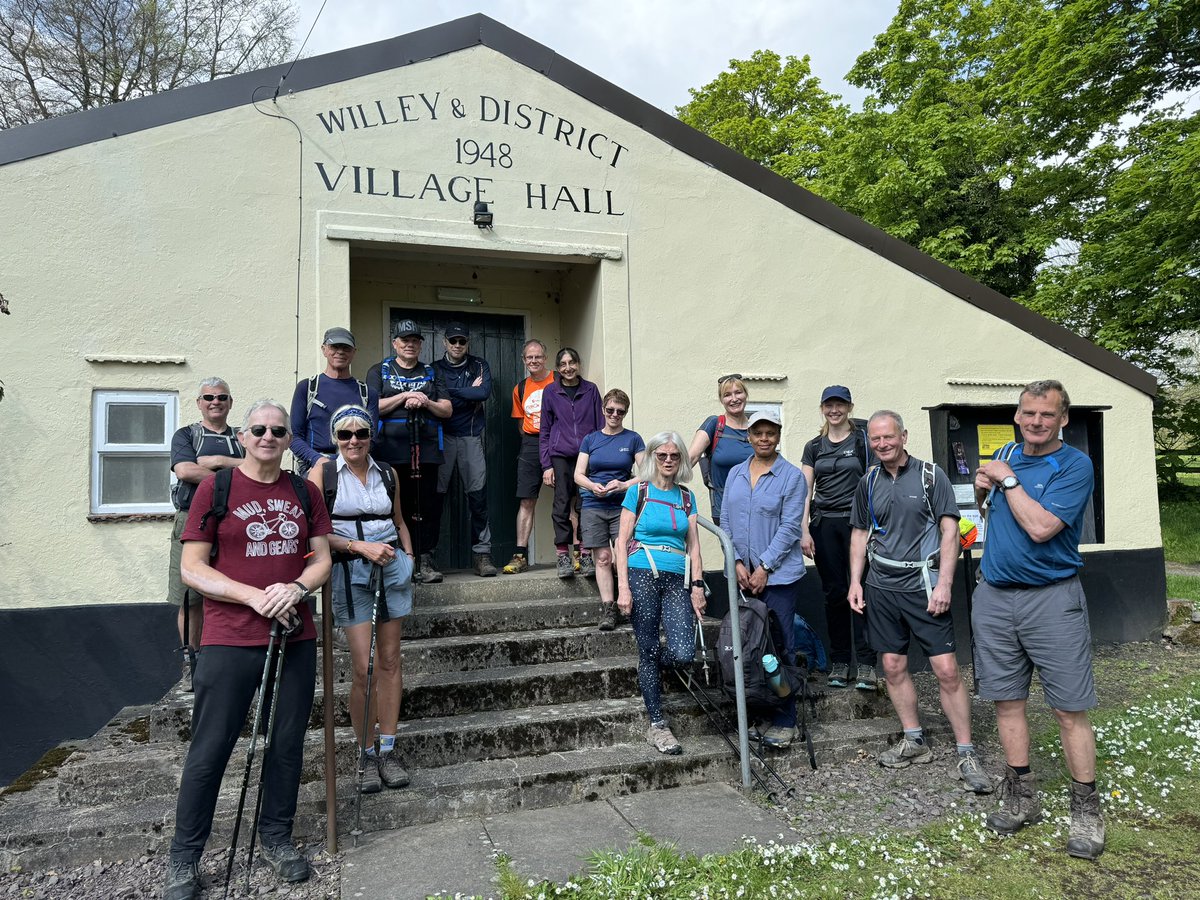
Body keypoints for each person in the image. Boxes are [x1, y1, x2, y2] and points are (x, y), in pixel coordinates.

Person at [165, 401, 332, 900]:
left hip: (294, 637)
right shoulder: (215, 489)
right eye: (258, 429)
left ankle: (276, 837)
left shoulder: (304, 490)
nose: (268, 436)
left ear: (286, 439)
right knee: (210, 748)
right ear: (242, 436)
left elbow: (321, 559)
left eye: (277, 430)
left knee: (286, 744)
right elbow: (191, 568)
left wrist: (298, 588)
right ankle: (184, 857)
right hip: (230, 637)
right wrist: (253, 596)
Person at [973, 380, 1104, 859]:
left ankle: (1086, 812)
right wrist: (983, 483)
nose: (1035, 422)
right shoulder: (1007, 450)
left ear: (1063, 419)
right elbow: (988, 506)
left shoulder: (1074, 464)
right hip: (994, 596)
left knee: (1069, 708)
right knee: (1007, 702)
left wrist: (1007, 480)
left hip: (1052, 599)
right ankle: (1021, 798)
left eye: (1047, 415)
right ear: (1017, 413)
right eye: (1028, 413)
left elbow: (1043, 527)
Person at [847, 410, 991, 794]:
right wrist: (855, 583)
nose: (882, 445)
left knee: (946, 670)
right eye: (875, 439)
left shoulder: (931, 477)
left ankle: (966, 751)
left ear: (904, 436)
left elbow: (950, 531)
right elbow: (860, 534)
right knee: (892, 666)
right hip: (881, 587)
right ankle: (914, 740)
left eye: (888, 437)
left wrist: (945, 584)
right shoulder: (868, 481)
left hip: (925, 587)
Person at [309, 406, 415, 793]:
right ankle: (365, 751)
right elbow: (314, 532)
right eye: (345, 434)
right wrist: (359, 546)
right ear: (335, 438)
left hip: (392, 567)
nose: (354, 440)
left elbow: (399, 520)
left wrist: (409, 558)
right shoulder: (321, 474)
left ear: (371, 435)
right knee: (363, 667)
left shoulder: (387, 472)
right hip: (349, 570)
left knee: (390, 660)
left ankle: (388, 748)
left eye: (361, 433)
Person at [615, 431, 707, 755]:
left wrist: (698, 586)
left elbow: (694, 547)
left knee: (683, 653)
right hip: (642, 572)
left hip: (677, 578)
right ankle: (657, 725)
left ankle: (650, 664)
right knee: (649, 646)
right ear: (652, 457)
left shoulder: (686, 497)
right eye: (662, 455)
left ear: (681, 459)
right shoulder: (638, 491)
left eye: (674, 456)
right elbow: (620, 543)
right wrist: (622, 587)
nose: (668, 461)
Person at [720, 409, 807, 748]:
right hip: (741, 576)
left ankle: (786, 718)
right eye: (758, 433)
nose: (764, 438)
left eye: (771, 433)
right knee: (750, 651)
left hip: (779, 579)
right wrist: (738, 562)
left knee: (778, 650)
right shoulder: (737, 474)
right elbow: (725, 521)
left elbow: (789, 528)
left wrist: (764, 568)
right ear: (749, 437)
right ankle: (762, 713)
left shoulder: (791, 477)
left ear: (779, 435)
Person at [168, 378, 244, 690]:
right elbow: (185, 470)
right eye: (209, 397)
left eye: (222, 397)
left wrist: (219, 462)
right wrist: (230, 477)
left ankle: (230, 657)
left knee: (234, 591)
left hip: (233, 521)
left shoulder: (242, 436)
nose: (216, 402)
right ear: (199, 402)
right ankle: (192, 663)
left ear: (230, 401)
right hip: (192, 522)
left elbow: (261, 466)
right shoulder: (186, 434)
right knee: (190, 598)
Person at [800, 385, 878, 690]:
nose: (835, 410)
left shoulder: (863, 442)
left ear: (850, 407)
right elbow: (805, 491)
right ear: (822, 408)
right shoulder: (814, 447)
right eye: (829, 405)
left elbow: (874, 484)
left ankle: (868, 665)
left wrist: (874, 526)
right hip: (824, 525)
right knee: (834, 594)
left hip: (857, 524)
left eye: (840, 405)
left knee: (861, 592)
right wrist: (804, 529)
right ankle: (841, 661)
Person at [366, 319, 452, 584]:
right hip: (388, 452)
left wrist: (426, 401)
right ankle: (399, 560)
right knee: (393, 507)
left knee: (427, 506)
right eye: (404, 340)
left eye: (415, 340)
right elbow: (372, 407)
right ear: (395, 343)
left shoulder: (431, 372)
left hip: (426, 451)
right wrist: (404, 397)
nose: (410, 345)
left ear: (421, 344)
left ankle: (425, 560)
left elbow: (447, 409)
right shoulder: (379, 370)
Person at [574, 389, 645, 630]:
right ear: (603, 410)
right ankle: (608, 608)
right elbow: (578, 474)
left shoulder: (633, 439)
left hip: (622, 505)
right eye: (610, 410)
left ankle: (629, 601)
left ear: (625, 412)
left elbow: (647, 473)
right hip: (594, 504)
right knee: (603, 558)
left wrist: (624, 484)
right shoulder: (590, 439)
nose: (615, 414)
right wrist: (593, 486)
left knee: (622, 555)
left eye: (620, 411)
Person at [431, 322, 497, 577]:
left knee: (478, 499)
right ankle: (427, 557)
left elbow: (483, 392)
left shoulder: (479, 365)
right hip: (441, 438)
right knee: (433, 500)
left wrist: (450, 393)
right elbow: (434, 396)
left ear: (467, 343)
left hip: (470, 437)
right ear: (445, 342)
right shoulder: (435, 368)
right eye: (453, 341)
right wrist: (467, 392)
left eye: (462, 341)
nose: (457, 345)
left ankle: (482, 555)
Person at [539, 347, 604, 578]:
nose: (568, 368)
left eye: (572, 363)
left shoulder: (591, 390)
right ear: (558, 368)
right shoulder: (550, 391)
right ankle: (563, 556)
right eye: (563, 364)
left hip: (586, 456)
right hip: (560, 456)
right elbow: (545, 430)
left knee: (586, 504)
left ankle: (585, 555)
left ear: (578, 365)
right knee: (562, 503)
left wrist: (598, 457)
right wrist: (546, 464)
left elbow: (599, 426)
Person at [288, 328, 379, 474]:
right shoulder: (307, 387)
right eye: (334, 347)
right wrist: (317, 460)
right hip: (315, 465)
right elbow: (294, 437)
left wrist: (349, 460)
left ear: (354, 352)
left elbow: (371, 437)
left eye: (346, 348)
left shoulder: (368, 393)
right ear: (324, 350)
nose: (340, 352)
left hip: (355, 466)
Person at [502, 339, 556, 574]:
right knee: (526, 500)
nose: (534, 361)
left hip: (559, 441)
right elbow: (521, 424)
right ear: (524, 360)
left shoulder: (558, 380)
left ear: (545, 358)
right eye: (529, 358)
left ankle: (577, 554)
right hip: (531, 444)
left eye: (538, 357)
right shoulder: (520, 388)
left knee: (569, 498)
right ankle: (520, 555)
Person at [687, 374, 753, 524]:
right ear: (722, 400)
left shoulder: (756, 428)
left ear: (746, 394)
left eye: (738, 392)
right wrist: (662, 486)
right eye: (727, 395)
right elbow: (690, 458)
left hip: (757, 506)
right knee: (732, 547)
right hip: (724, 508)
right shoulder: (715, 424)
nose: (734, 398)